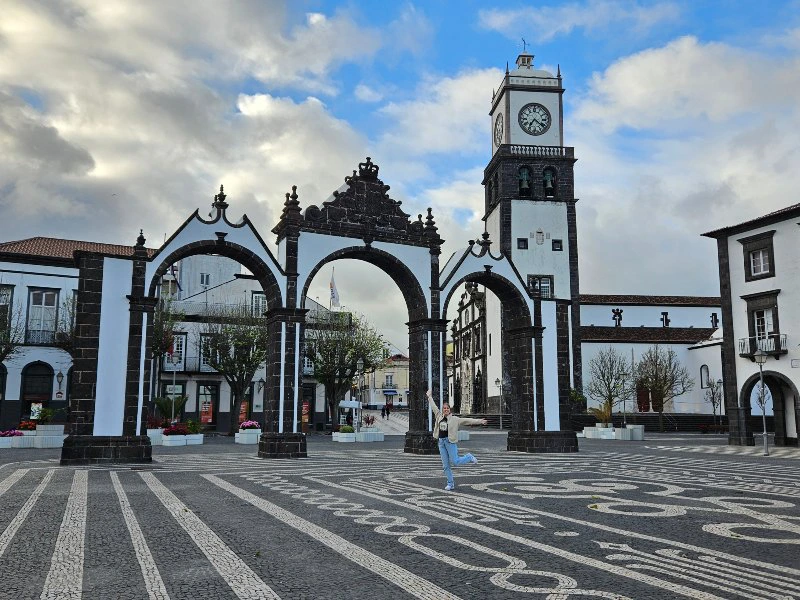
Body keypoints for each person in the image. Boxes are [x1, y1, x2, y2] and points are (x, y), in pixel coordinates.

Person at [427, 389, 487, 491]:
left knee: (455, 461)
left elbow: (467, 420)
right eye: (444, 408)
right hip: (441, 443)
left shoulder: (455, 419)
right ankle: (450, 484)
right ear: (442, 409)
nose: (445, 410)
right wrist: (429, 397)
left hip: (450, 442)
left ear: (449, 410)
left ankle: (469, 457)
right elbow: (433, 406)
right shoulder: (438, 416)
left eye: (447, 408)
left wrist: (480, 421)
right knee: (445, 465)